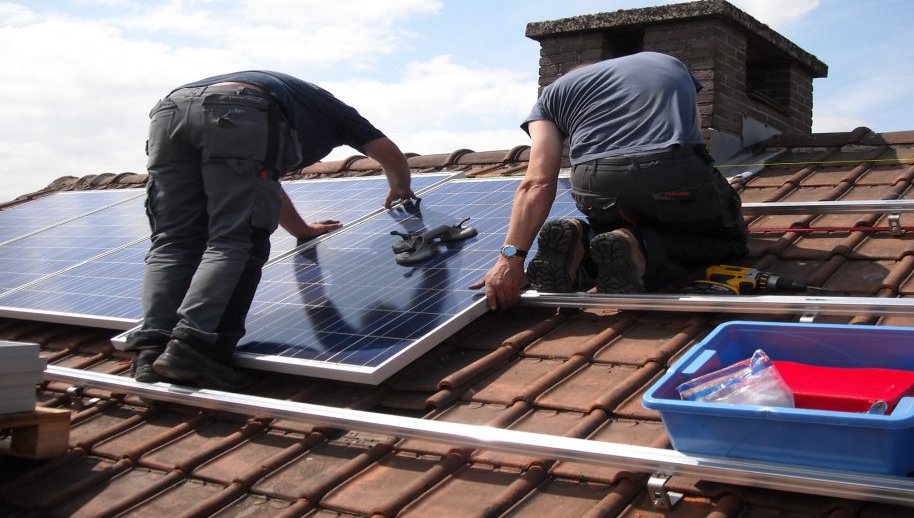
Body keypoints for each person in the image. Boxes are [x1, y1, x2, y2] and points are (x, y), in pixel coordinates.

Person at [124, 70, 414, 389]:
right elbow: (388, 154)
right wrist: (400, 188)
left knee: (173, 241)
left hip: (170, 111)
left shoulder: (300, 102)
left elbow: (264, 185)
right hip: (239, 109)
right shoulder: (337, 113)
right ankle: (196, 348)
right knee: (236, 240)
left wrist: (301, 230)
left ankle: (150, 352)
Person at [473, 51, 748, 310]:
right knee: (729, 239)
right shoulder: (667, 63)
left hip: (597, 185)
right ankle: (641, 249)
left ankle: (583, 239)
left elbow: (538, 181)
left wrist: (510, 259)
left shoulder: (551, 94)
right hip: (672, 170)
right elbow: (694, 139)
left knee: (616, 224)